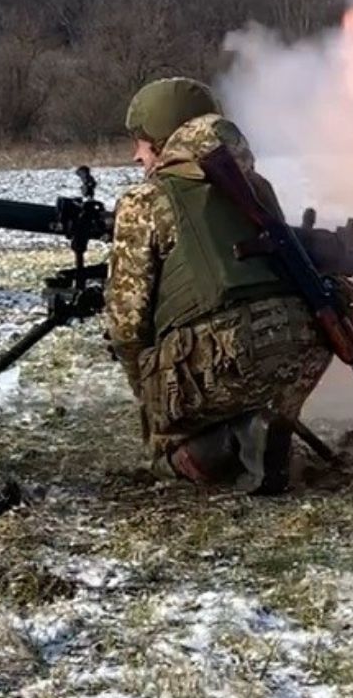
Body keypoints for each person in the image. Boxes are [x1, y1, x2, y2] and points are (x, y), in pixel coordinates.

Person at [103, 77, 335, 495]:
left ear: (161, 137)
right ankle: (264, 425)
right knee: (241, 385)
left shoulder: (144, 201)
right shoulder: (256, 187)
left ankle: (237, 439)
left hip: (223, 361)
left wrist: (153, 401)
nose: (136, 155)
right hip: (299, 354)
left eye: (140, 141)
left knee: (166, 449)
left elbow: (126, 324)